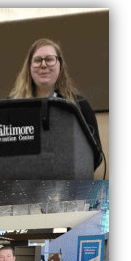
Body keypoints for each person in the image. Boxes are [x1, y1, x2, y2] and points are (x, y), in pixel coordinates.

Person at [9, 38, 103, 169]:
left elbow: (95, 156)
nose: (43, 65)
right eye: (37, 60)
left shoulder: (79, 105)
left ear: (60, 65)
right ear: (29, 67)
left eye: (49, 59)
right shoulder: (11, 107)